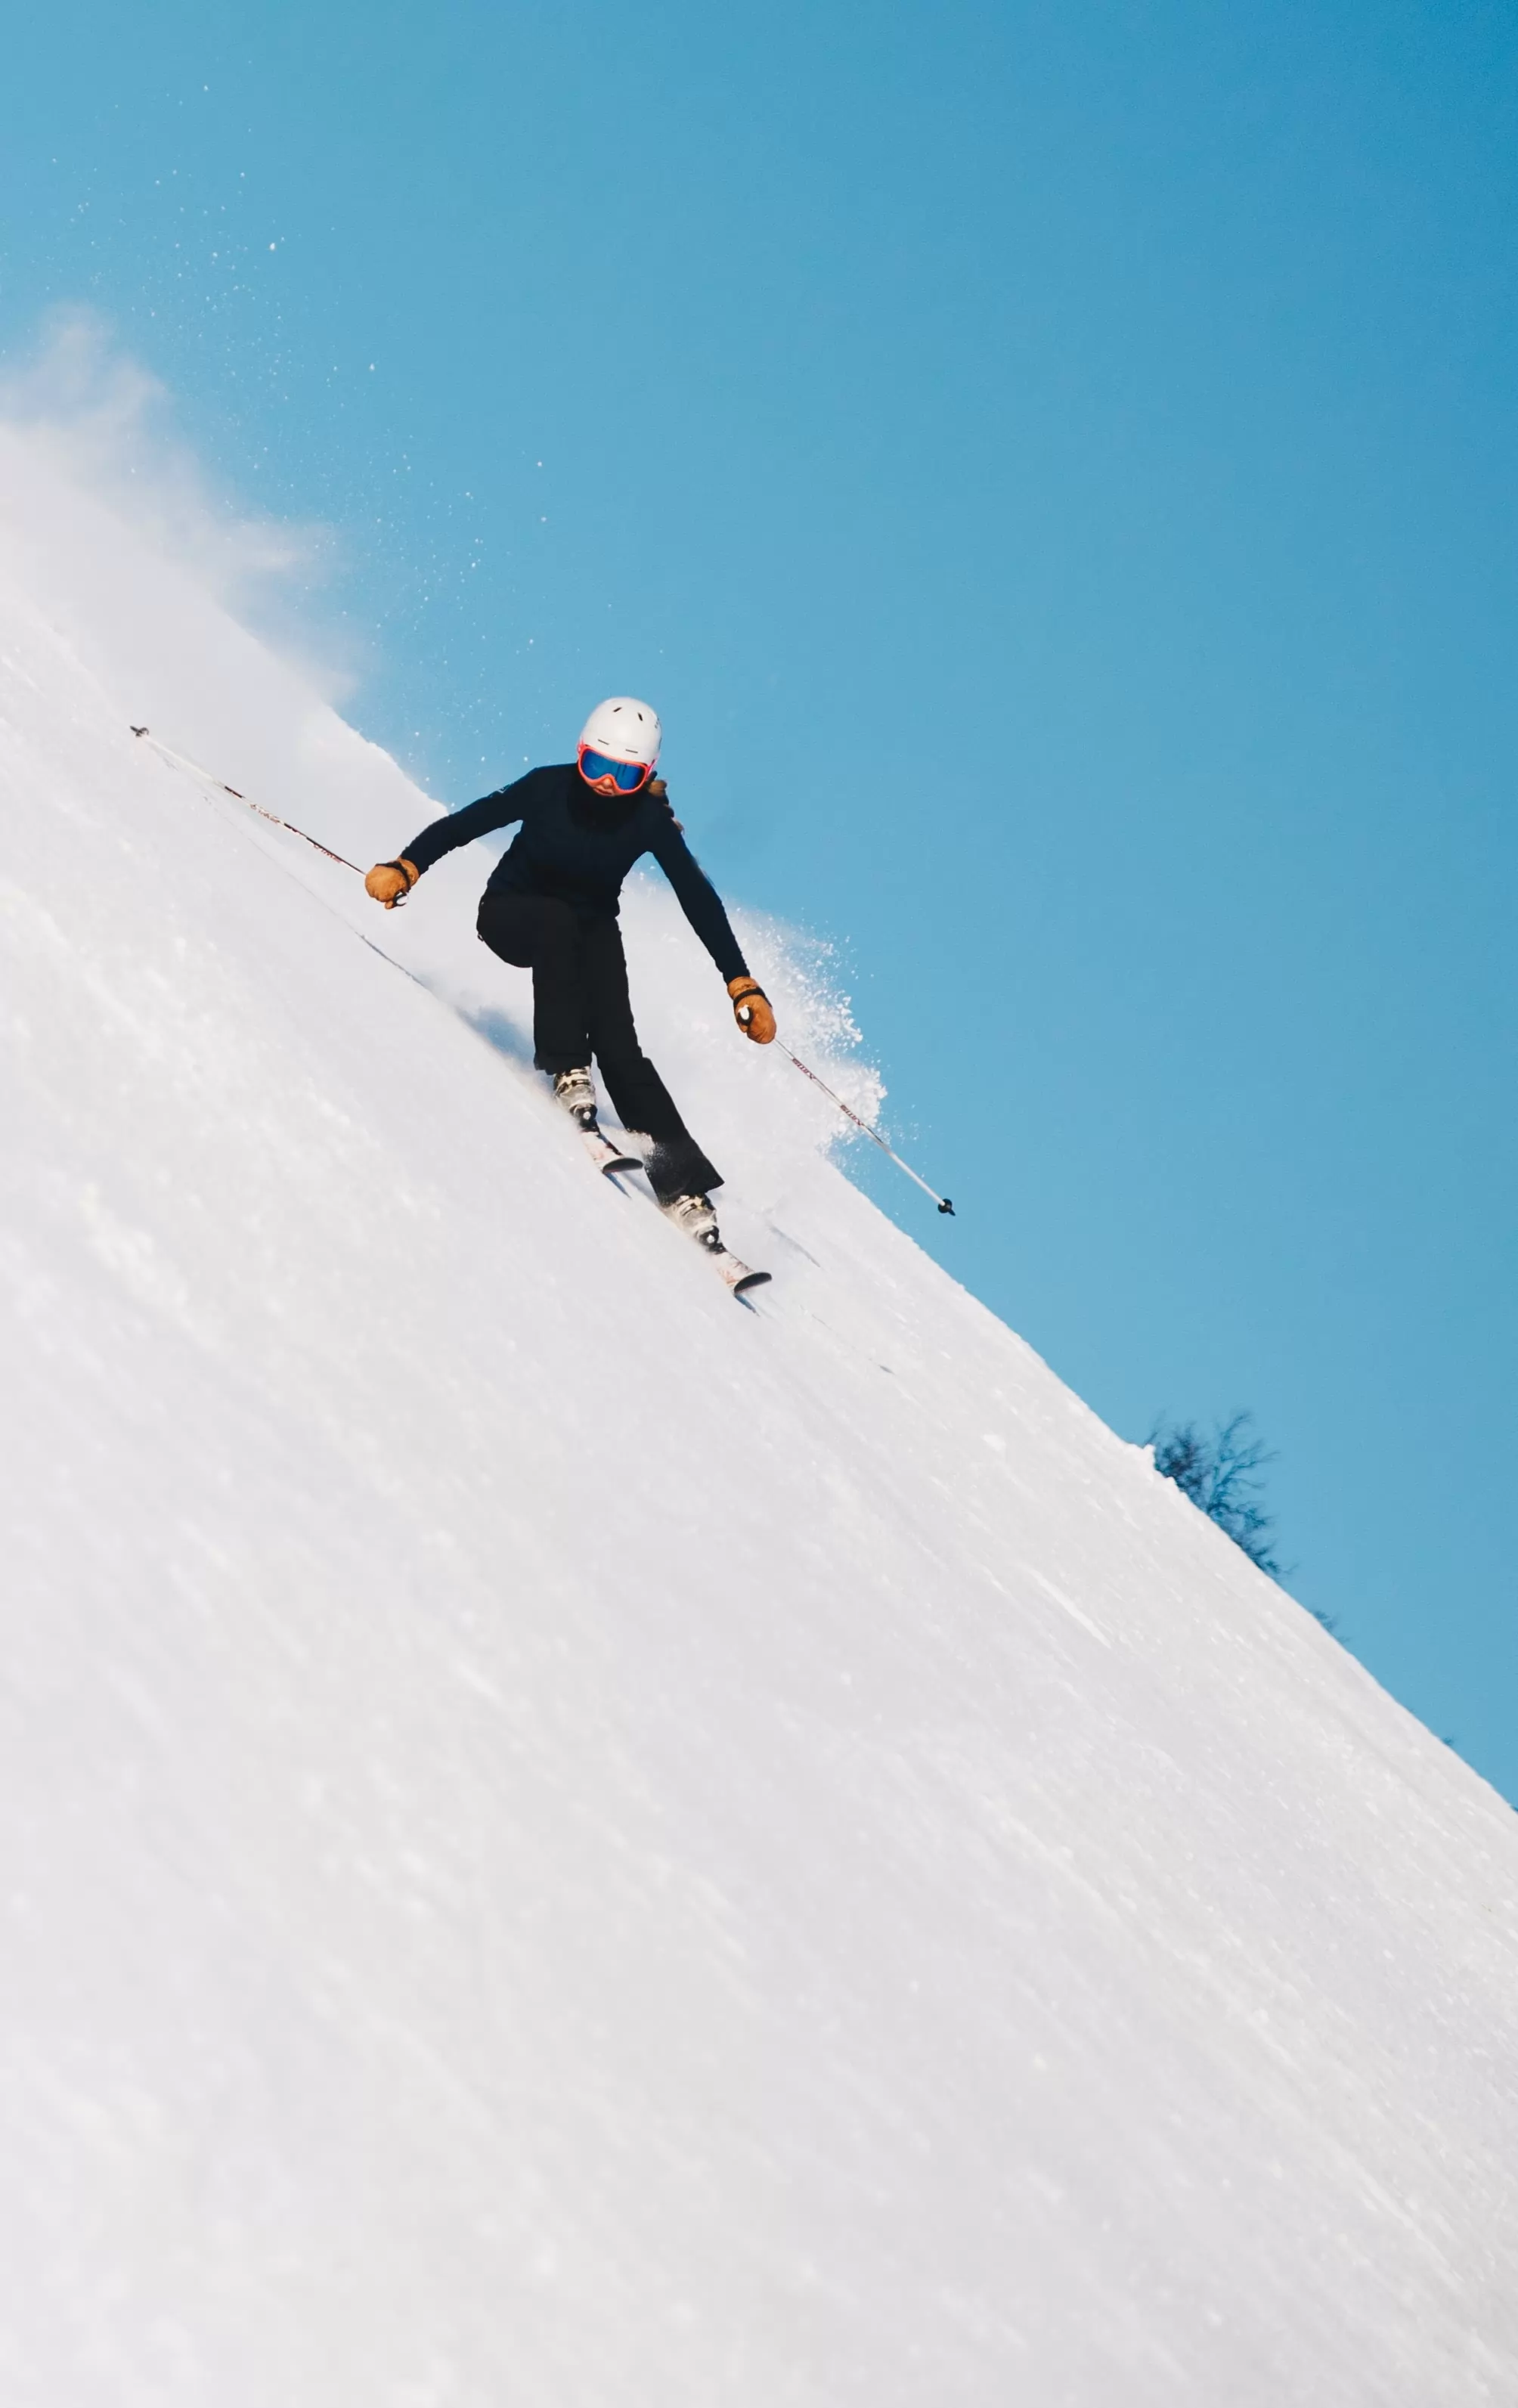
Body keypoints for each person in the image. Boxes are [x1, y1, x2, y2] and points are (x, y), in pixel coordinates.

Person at [364, 696, 776, 1241]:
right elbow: (466, 823)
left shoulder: (648, 821)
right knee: (558, 920)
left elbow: (696, 896)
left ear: (646, 775)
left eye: (624, 774)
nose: (606, 783)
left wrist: (740, 981)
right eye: (597, 766)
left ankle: (682, 1185)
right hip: (512, 914)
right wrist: (407, 864)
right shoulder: (547, 787)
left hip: (589, 929)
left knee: (622, 1045)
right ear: (580, 755)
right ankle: (568, 1067)